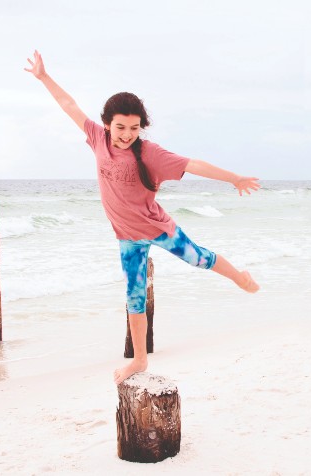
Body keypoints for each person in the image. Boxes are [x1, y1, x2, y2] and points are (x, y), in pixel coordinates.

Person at [25, 50, 260, 384]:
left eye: (134, 128)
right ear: (107, 124)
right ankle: (138, 361)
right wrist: (43, 77)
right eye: (120, 127)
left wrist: (234, 178)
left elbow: (193, 164)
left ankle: (240, 277)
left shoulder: (150, 153)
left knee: (199, 259)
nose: (126, 134)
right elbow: (68, 105)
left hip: (158, 228)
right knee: (134, 299)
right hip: (127, 238)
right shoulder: (97, 138)